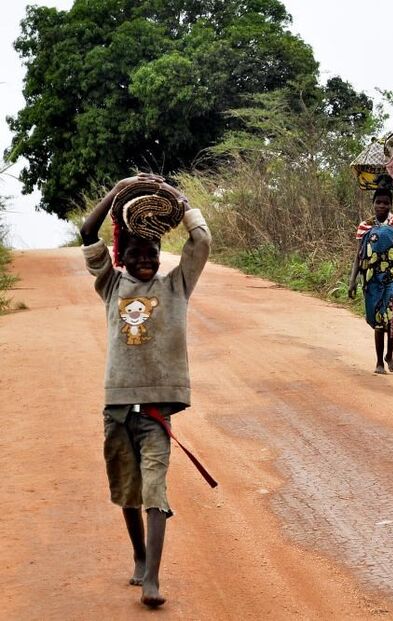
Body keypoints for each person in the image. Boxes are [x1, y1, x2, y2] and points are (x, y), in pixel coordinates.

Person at [79, 173, 211, 608]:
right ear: (122, 257)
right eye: (135, 254)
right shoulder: (111, 286)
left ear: (159, 254)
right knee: (128, 490)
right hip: (116, 408)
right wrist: (114, 192)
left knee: (155, 489)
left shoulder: (176, 287)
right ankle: (138, 555)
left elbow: (201, 242)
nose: (144, 260)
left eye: (151, 253)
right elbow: (86, 232)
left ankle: (153, 576)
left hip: (156, 411)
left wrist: (179, 197)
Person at [348, 188, 393, 374]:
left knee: (391, 318)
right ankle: (379, 362)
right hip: (372, 278)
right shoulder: (364, 226)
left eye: (386, 203)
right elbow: (359, 256)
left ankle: (389, 355)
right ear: (373, 203)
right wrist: (352, 281)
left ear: (391, 204)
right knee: (377, 321)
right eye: (379, 202)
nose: (382, 206)